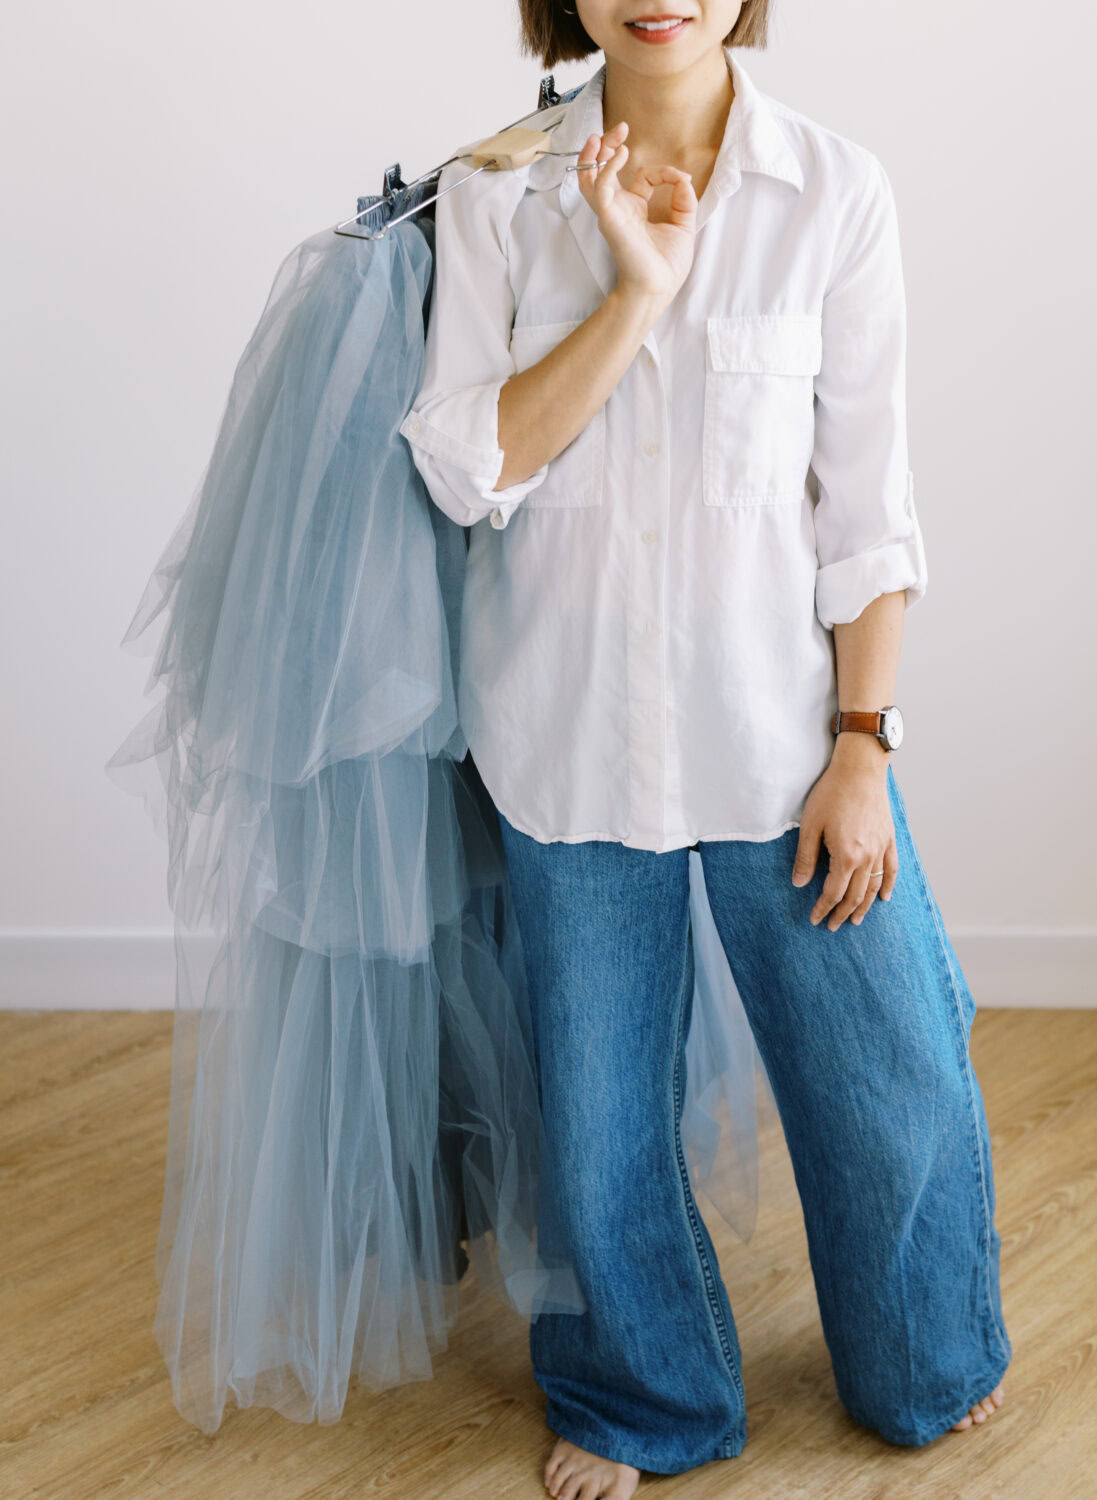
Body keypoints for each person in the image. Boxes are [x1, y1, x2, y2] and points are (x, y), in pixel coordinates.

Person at [398, 2, 1012, 1494]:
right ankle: (641, 1397)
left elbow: (868, 509)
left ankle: (928, 1348)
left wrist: (861, 747)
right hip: (562, 731)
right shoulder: (493, 192)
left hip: (780, 740)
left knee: (891, 1075)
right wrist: (637, 292)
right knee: (598, 1120)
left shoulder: (832, 189)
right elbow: (469, 467)